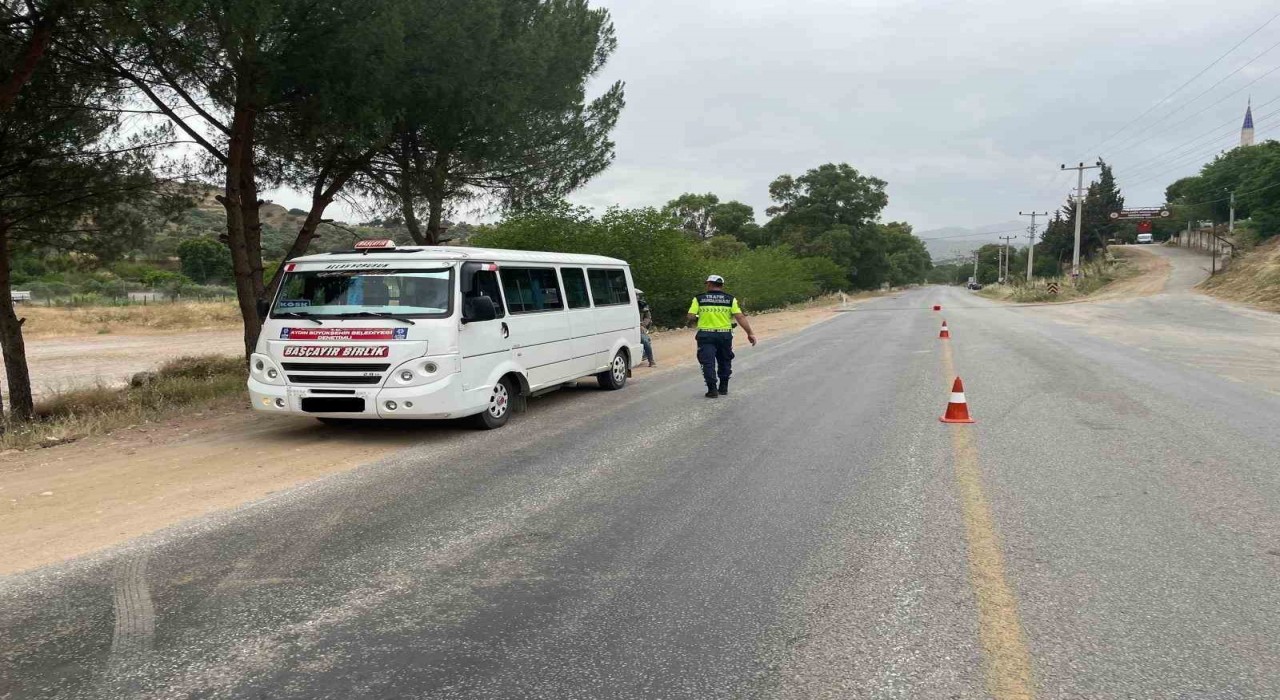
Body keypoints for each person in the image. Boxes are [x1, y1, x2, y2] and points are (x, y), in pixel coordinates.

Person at [687, 274, 756, 398]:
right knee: (725, 360)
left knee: (707, 362)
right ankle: (723, 388)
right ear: (722, 286)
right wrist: (750, 333)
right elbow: (740, 317)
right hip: (725, 335)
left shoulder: (699, 299)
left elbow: (691, 316)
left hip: (706, 335)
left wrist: (699, 317)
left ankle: (712, 390)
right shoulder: (730, 299)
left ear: (709, 284)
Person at [637, 290, 656, 367]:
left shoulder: (642, 305)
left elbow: (648, 317)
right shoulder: (624, 304)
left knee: (644, 340)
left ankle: (651, 360)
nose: (637, 297)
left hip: (640, 327)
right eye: (636, 295)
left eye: (637, 295)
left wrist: (642, 325)